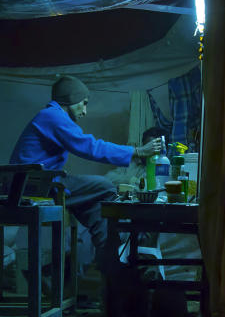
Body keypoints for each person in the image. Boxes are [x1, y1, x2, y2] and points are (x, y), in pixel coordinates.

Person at [9, 76, 163, 270]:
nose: (85, 110)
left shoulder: (53, 117)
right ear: (71, 99)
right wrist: (137, 151)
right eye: (84, 103)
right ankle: (109, 257)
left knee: (97, 206)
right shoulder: (52, 116)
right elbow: (90, 146)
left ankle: (109, 259)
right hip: (34, 183)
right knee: (104, 186)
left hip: (43, 181)